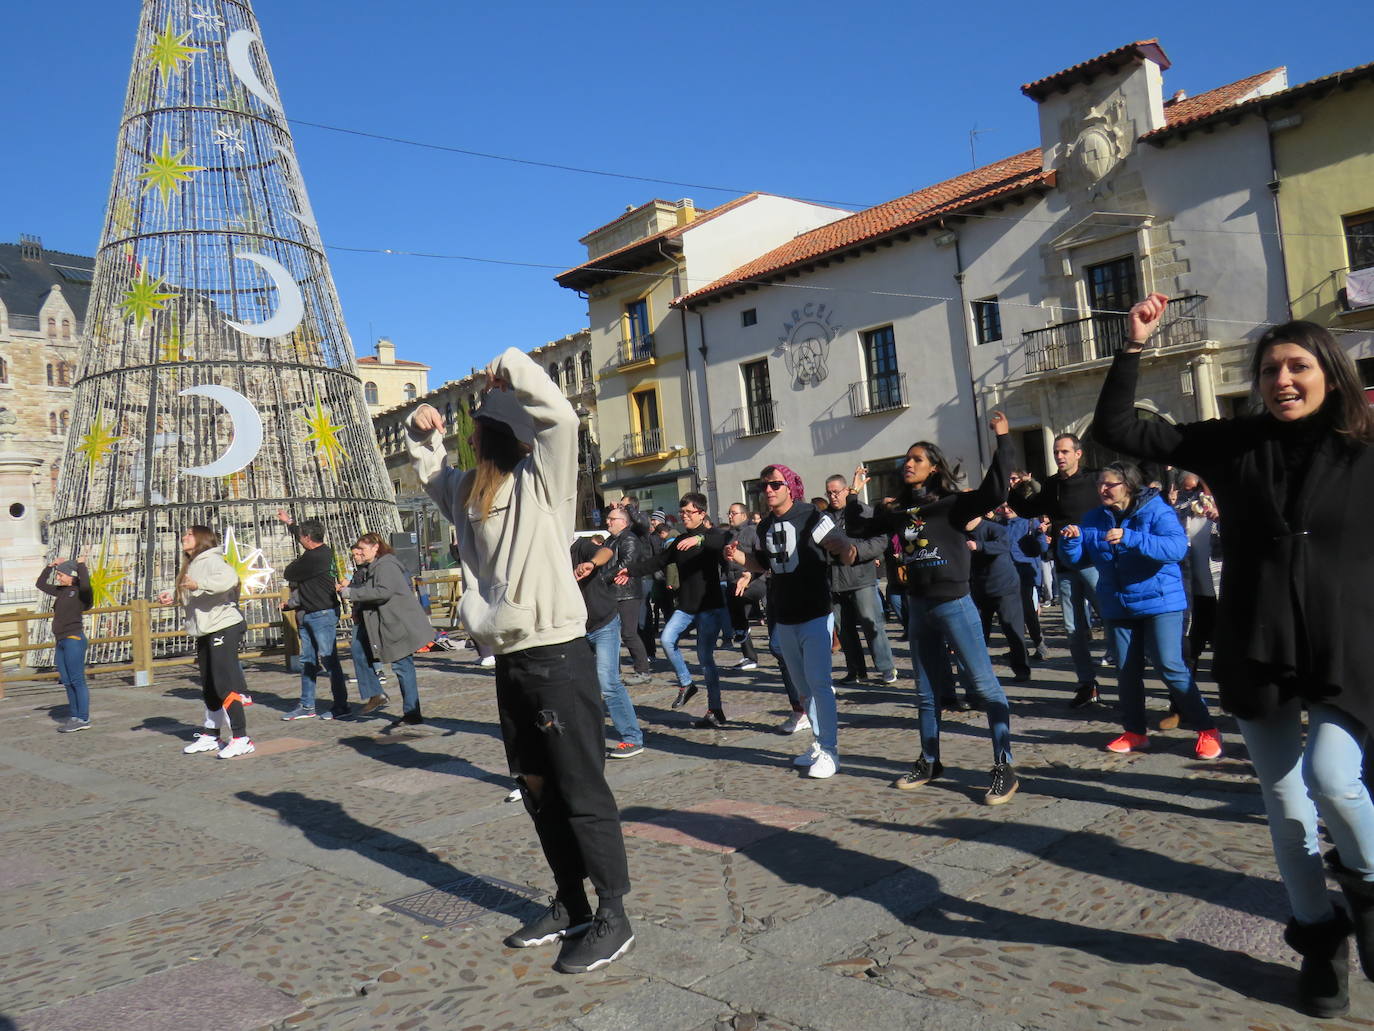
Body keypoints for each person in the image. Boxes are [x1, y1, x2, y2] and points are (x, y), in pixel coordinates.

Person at [1093, 294, 1374, 1017]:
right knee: (1285, 807)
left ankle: (1371, 902)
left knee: (1335, 779)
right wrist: (1133, 347)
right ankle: (1319, 943)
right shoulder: (1235, 441)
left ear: (1331, 374)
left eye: (1298, 366)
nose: (1283, 378)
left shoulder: (1364, 449)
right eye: (1271, 368)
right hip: (1258, 639)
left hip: (1348, 644)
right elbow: (1119, 427)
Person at [405, 346, 633, 974]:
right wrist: (423, 431)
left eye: (481, 428)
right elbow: (430, 473)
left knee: (579, 787)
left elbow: (561, 418)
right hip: (510, 660)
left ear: (506, 432)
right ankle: (571, 901)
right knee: (535, 787)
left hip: (557, 654)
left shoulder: (544, 483)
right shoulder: (471, 494)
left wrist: (511, 366)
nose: (474, 439)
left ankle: (614, 912)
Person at [853, 413, 1019, 804]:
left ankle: (1004, 766)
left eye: (917, 459)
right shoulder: (900, 512)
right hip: (918, 606)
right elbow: (863, 530)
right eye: (905, 460)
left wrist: (1004, 439)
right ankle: (930, 760)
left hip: (955, 604)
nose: (908, 464)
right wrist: (851, 500)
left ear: (934, 469)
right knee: (926, 693)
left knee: (983, 685)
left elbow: (996, 490)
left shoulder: (953, 505)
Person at [1057, 461, 1221, 758]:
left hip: (1161, 601)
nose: (1102, 489)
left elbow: (1175, 549)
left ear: (1129, 486)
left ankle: (1207, 729)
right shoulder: (1094, 518)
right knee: (1126, 671)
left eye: (1109, 484)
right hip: (1118, 603)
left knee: (1169, 665)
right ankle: (1134, 731)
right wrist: (1070, 542)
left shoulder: (1156, 510)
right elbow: (1078, 560)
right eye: (1100, 484)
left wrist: (1132, 537)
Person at [725, 463, 852, 779]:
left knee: (820, 684)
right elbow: (766, 564)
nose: (768, 490)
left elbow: (837, 542)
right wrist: (741, 560)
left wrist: (847, 549)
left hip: (814, 612)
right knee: (803, 688)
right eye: (764, 486)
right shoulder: (766, 526)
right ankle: (817, 743)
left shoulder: (810, 515)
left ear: (790, 486)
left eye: (775, 484)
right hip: (785, 615)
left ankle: (830, 751)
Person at [1009, 432, 1108, 707]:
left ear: (1078, 454)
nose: (1059, 457)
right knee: (1073, 628)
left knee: (1113, 621)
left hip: (1095, 563)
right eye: (1056, 452)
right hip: (1065, 565)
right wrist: (1017, 487)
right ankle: (1087, 685)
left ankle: (1129, 677)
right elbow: (1027, 510)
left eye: (1064, 451)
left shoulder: (1094, 480)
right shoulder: (1051, 486)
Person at [621, 493, 732, 727]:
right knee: (667, 639)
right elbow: (656, 562)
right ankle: (687, 683)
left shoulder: (711, 535)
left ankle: (715, 710)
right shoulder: (679, 540)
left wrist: (699, 540)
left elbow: (722, 540)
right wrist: (628, 571)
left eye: (689, 512)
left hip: (709, 607)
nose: (685, 516)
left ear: (701, 513)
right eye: (682, 513)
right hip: (686, 606)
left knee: (705, 659)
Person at [162, 527, 253, 759]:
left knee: (224, 682)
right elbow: (192, 593)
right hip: (205, 629)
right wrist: (172, 596)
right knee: (209, 685)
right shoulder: (191, 564)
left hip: (223, 626)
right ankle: (212, 734)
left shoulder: (212, 558)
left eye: (189, 535)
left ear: (201, 538)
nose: (184, 537)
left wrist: (198, 585)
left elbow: (229, 579)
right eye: (184, 535)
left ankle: (242, 738)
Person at [337, 533, 431, 725]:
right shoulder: (374, 566)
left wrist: (352, 593)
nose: (360, 553)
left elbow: (383, 592)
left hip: (396, 624)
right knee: (359, 649)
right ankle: (376, 694)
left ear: (375, 548)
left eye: (363, 549)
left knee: (403, 667)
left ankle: (412, 713)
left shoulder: (386, 565)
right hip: (382, 622)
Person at [571, 536, 644, 758]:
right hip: (573, 629)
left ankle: (632, 738)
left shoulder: (579, 546)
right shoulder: (543, 559)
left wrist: (591, 563)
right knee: (574, 686)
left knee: (608, 681)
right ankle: (582, 741)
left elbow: (606, 552)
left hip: (603, 623)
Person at [824, 472, 898, 686]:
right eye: (828, 493)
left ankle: (886, 668)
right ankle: (855, 670)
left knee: (871, 624)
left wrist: (857, 551)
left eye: (836, 492)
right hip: (834, 580)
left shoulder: (863, 511)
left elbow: (880, 541)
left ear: (847, 491)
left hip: (861, 578)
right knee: (844, 630)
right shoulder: (823, 517)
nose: (832, 497)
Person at [277, 512, 350, 721]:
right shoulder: (323, 551)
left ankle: (341, 705)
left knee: (329, 659)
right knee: (308, 660)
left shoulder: (314, 558)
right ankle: (307, 705)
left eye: (301, 536)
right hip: (309, 613)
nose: (299, 539)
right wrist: (290, 523)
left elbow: (289, 573)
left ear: (308, 539)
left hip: (322, 613)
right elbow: (300, 534)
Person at [966, 515, 1031, 683]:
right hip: (978, 588)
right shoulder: (959, 532)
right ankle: (977, 672)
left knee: (1012, 627)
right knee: (977, 632)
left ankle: (1022, 669)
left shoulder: (994, 528)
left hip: (1004, 586)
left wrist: (979, 546)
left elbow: (1003, 545)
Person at [38, 558, 93, 733]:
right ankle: (75, 717)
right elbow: (40, 584)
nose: (59, 578)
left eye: (61, 575)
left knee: (77, 680)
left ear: (72, 576)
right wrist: (50, 567)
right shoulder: (61, 591)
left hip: (74, 639)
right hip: (61, 641)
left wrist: (81, 565)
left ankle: (83, 718)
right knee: (67, 681)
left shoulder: (81, 592)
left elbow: (85, 585)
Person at [603, 506, 652, 683]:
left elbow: (625, 564)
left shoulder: (629, 538)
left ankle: (643, 670)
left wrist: (603, 578)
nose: (607, 521)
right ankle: (612, 670)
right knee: (610, 633)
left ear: (623, 523)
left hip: (627, 592)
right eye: (608, 518)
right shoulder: (609, 540)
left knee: (629, 633)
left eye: (612, 519)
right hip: (612, 592)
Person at [343, 543, 389, 716]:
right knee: (359, 651)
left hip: (371, 616)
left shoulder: (373, 569)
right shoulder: (360, 570)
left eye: (359, 553)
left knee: (363, 650)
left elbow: (369, 592)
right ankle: (375, 692)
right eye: (354, 554)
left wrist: (349, 589)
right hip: (362, 615)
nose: (356, 556)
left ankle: (377, 691)